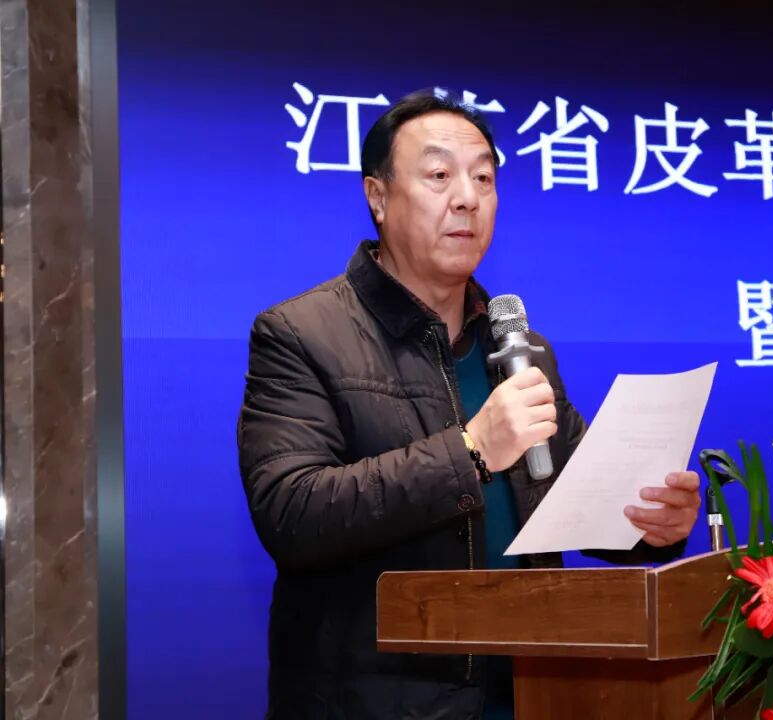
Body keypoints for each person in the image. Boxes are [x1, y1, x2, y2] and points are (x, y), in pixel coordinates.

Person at [237, 91, 702, 720]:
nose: (467, 198)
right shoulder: (301, 334)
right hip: (375, 701)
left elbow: (573, 507)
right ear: (377, 197)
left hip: (535, 693)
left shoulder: (521, 348)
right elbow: (292, 514)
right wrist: (472, 450)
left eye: (483, 178)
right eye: (439, 176)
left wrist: (649, 526)